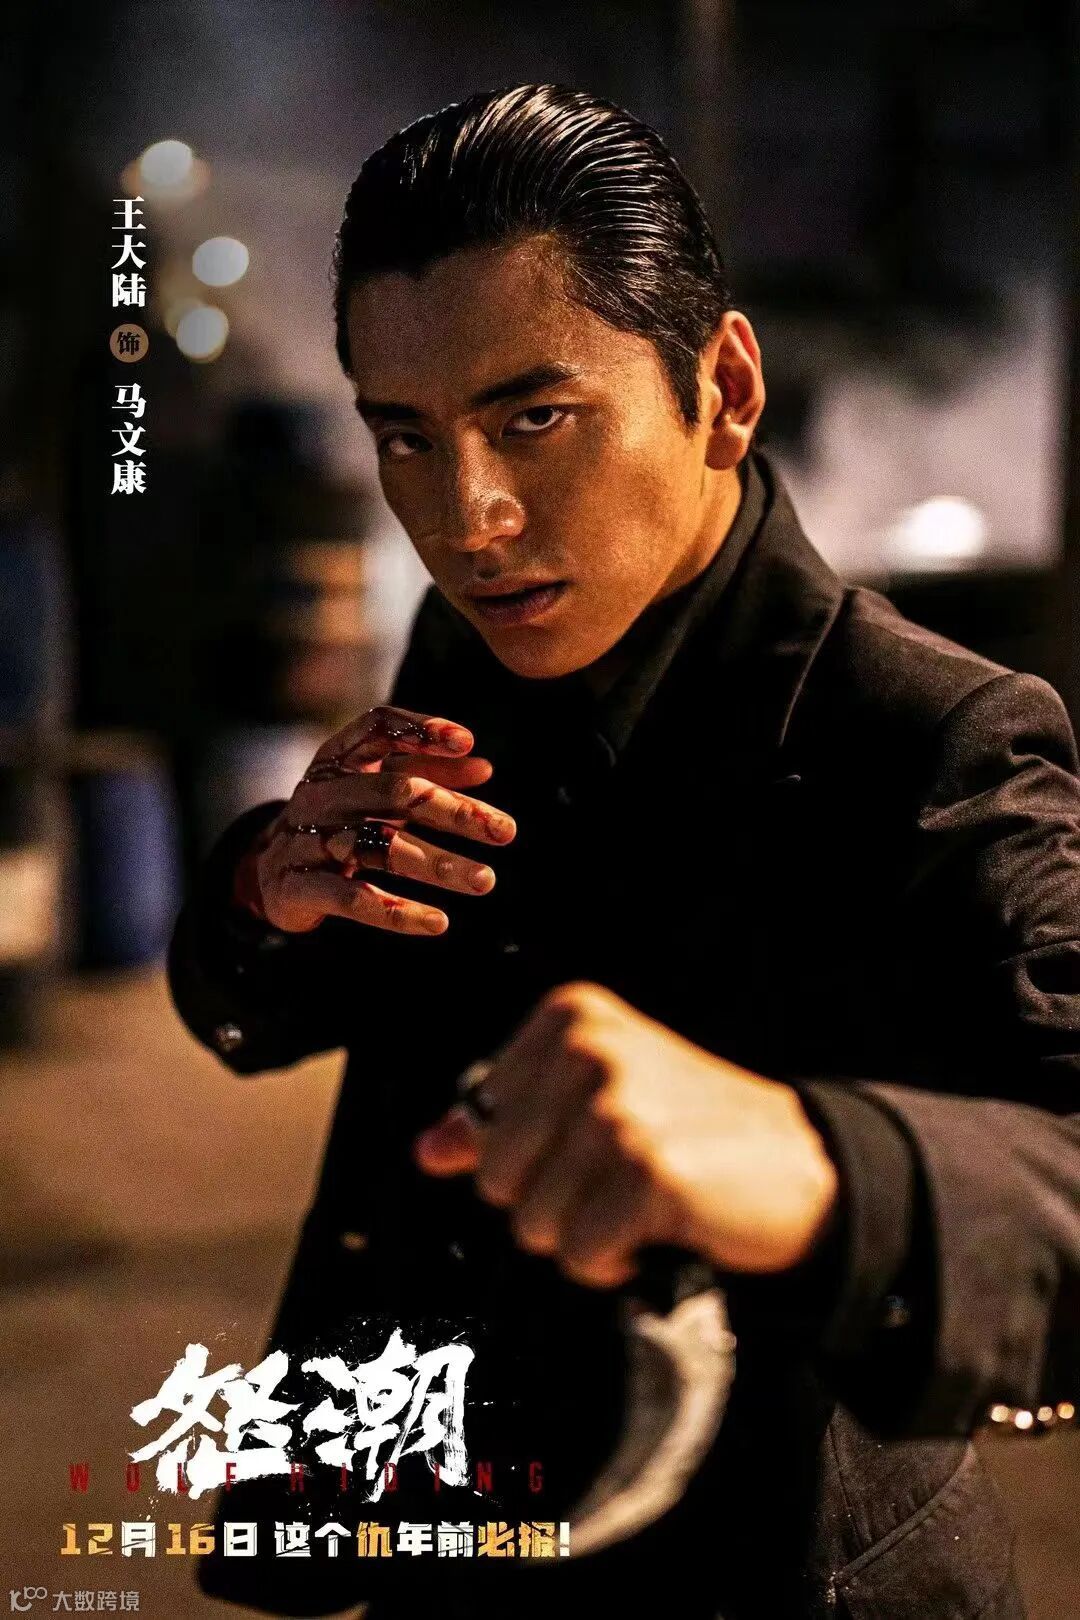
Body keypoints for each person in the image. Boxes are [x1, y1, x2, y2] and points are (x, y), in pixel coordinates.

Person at [168, 84, 1079, 1619]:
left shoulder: (932, 733)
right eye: (407, 435)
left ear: (723, 388)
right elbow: (306, 1016)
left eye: (536, 418)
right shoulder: (469, 642)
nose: (468, 516)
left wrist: (814, 1163)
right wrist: (270, 895)